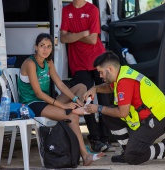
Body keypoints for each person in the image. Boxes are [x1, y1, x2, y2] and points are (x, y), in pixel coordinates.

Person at [17, 33, 105, 166]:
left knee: (81, 86)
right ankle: (85, 155)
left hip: (46, 102)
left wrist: (75, 99)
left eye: (49, 46)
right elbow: (38, 93)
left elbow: (60, 84)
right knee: (72, 117)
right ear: (36, 47)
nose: (45, 50)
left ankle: (78, 106)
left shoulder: (48, 62)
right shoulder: (30, 63)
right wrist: (63, 106)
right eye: (42, 46)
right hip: (32, 104)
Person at [82, 51, 165, 165]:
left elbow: (123, 113)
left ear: (110, 69)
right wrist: (95, 88)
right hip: (149, 116)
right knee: (108, 115)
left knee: (132, 157)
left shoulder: (124, 81)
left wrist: (98, 108)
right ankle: (128, 149)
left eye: (101, 72)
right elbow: (110, 88)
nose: (100, 76)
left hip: (158, 118)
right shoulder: (122, 73)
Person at [60, 0, 115, 152]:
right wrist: (83, 33)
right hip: (78, 63)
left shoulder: (92, 9)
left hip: (98, 61)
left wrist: (73, 35)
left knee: (104, 99)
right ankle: (95, 139)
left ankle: (106, 138)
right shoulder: (66, 10)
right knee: (85, 100)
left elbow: (92, 39)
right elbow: (63, 37)